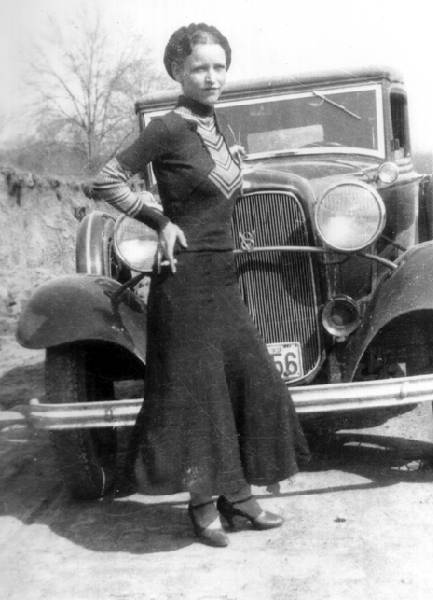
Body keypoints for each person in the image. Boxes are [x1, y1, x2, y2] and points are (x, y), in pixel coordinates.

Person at [92, 22, 310, 548]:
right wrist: (158, 220)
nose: (211, 77)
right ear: (177, 72)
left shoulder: (221, 126)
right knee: (196, 396)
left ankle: (237, 495)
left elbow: (217, 196)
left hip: (223, 276)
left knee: (252, 381)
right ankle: (202, 502)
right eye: (199, 68)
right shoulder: (167, 128)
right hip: (184, 281)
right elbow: (105, 178)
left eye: (218, 67)